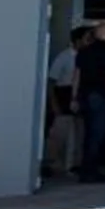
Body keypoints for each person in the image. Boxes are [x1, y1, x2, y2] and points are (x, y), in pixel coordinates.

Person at [72, 21, 105, 183]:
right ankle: (91, 171)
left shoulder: (83, 52)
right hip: (101, 97)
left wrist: (74, 98)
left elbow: (76, 76)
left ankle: (85, 169)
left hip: (85, 96)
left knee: (88, 134)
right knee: (98, 135)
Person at [44, 31, 81, 175]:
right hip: (63, 94)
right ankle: (50, 162)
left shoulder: (84, 58)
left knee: (78, 133)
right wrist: (54, 104)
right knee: (59, 133)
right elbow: (52, 81)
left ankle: (73, 164)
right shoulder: (64, 57)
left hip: (76, 94)